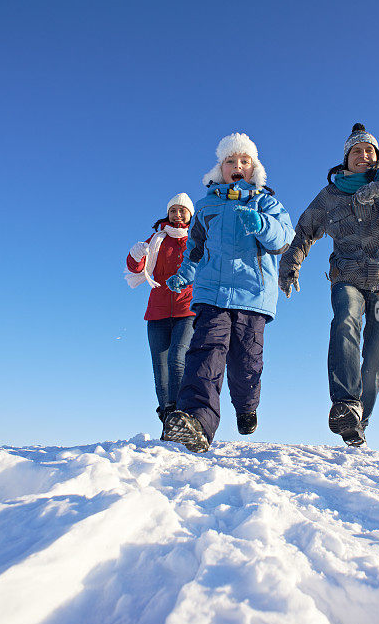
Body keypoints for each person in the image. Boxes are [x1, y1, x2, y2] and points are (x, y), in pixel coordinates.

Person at [278, 122, 379, 447]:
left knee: (376, 362)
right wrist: (290, 265)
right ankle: (344, 403)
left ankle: (356, 423)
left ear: (377, 156)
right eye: (357, 151)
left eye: (369, 150)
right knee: (345, 319)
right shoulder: (330, 195)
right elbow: (305, 230)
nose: (363, 155)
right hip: (348, 275)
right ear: (346, 159)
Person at [163, 133, 295, 453]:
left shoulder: (266, 201)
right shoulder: (207, 206)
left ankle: (247, 406)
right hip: (212, 293)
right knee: (205, 353)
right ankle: (197, 422)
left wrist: (262, 223)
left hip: (252, 295)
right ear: (220, 168)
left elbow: (283, 239)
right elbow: (195, 249)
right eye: (230, 161)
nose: (237, 166)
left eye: (244, 161)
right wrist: (184, 275)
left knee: (246, 362)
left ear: (254, 168)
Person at [125, 193, 195, 432]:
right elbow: (136, 267)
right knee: (160, 366)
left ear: (190, 214)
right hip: (157, 311)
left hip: (187, 309)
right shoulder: (157, 239)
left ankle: (179, 413)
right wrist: (135, 255)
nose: (177, 214)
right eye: (173, 210)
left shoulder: (196, 239)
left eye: (182, 211)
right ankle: (166, 416)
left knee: (177, 358)